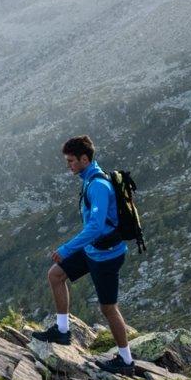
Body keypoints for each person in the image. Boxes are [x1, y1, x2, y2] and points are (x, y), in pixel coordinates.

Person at [37, 134, 133, 364]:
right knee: (55, 275)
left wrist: (68, 248)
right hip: (93, 249)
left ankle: (126, 360)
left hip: (106, 255)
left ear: (84, 159)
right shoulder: (89, 179)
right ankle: (62, 331)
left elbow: (97, 226)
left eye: (71, 161)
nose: (68, 165)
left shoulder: (98, 185)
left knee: (108, 308)